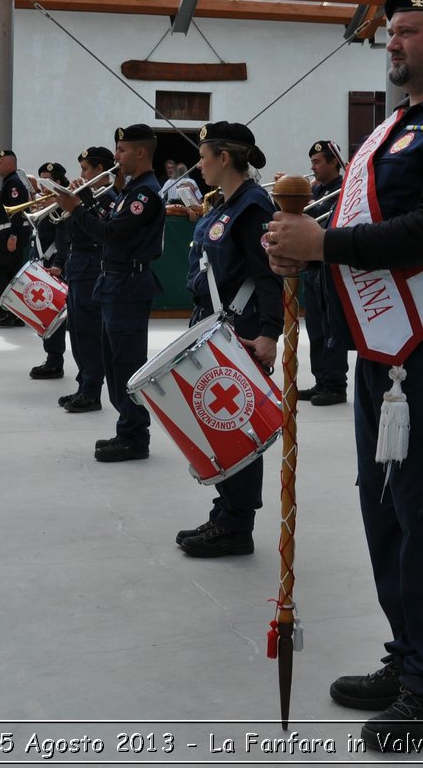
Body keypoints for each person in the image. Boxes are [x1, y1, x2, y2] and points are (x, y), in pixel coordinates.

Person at [265, 0, 423, 749]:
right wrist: (298, 248)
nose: (393, 44)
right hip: (385, 356)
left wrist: (326, 247)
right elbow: (353, 215)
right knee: (389, 512)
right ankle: (410, 655)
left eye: (407, 30)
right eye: (390, 33)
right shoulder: (399, 125)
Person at [173, 122, 281, 558]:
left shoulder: (253, 206)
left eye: (203, 156)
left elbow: (268, 274)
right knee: (219, 423)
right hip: (216, 324)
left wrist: (270, 333)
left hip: (243, 326)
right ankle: (225, 514)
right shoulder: (226, 204)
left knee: (236, 422)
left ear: (223, 157)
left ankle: (238, 525)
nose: (198, 164)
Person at [54, 124, 165, 463]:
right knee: (114, 362)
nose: (116, 157)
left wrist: (77, 209)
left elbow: (111, 234)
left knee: (127, 363)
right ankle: (125, 430)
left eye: (122, 150)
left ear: (140, 152)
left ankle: (135, 435)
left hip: (128, 286)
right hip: (114, 283)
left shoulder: (145, 193)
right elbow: (108, 221)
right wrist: (85, 201)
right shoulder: (132, 190)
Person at [56, 147, 115, 413]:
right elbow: (67, 228)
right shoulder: (86, 198)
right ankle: (84, 384)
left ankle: (92, 390)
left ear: (99, 170)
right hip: (77, 264)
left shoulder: (108, 197)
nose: (81, 175)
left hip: (92, 265)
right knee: (77, 330)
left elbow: (99, 230)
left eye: (85, 169)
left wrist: (82, 203)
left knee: (89, 330)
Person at [298, 139, 348, 406]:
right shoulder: (319, 191)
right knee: (315, 329)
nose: (313, 167)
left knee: (330, 328)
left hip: (328, 267)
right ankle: (322, 380)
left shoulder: (342, 190)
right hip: (312, 267)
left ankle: (335, 384)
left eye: (318, 162)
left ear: (333, 163)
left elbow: (326, 224)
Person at [28, 161, 70, 381]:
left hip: (54, 264)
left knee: (53, 315)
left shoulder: (61, 204)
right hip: (42, 262)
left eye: (49, 180)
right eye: (42, 179)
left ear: (60, 182)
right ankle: (52, 357)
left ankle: (55, 361)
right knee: (44, 313)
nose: (44, 184)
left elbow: (63, 238)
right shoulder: (45, 202)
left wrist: (60, 263)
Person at [0, 149, 30, 328]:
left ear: (10, 164)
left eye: (0, 162)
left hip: (9, 234)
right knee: (10, 274)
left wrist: (13, 235)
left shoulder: (13, 183)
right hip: (11, 233)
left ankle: (7, 312)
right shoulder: (11, 182)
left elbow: (18, 209)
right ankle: (15, 314)